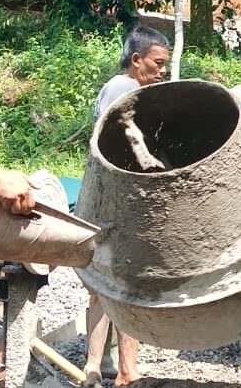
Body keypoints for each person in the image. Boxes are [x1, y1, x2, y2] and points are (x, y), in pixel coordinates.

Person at [87, 25, 169, 387]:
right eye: (158, 63)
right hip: (116, 202)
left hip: (106, 199)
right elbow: (112, 141)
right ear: (137, 60)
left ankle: (95, 366)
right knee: (126, 286)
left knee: (102, 285)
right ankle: (126, 371)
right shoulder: (124, 89)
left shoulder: (122, 88)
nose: (162, 70)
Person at [93, 26, 170, 122]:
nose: (164, 70)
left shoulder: (140, 90)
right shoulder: (120, 87)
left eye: (164, 64)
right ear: (136, 60)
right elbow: (110, 132)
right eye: (158, 63)